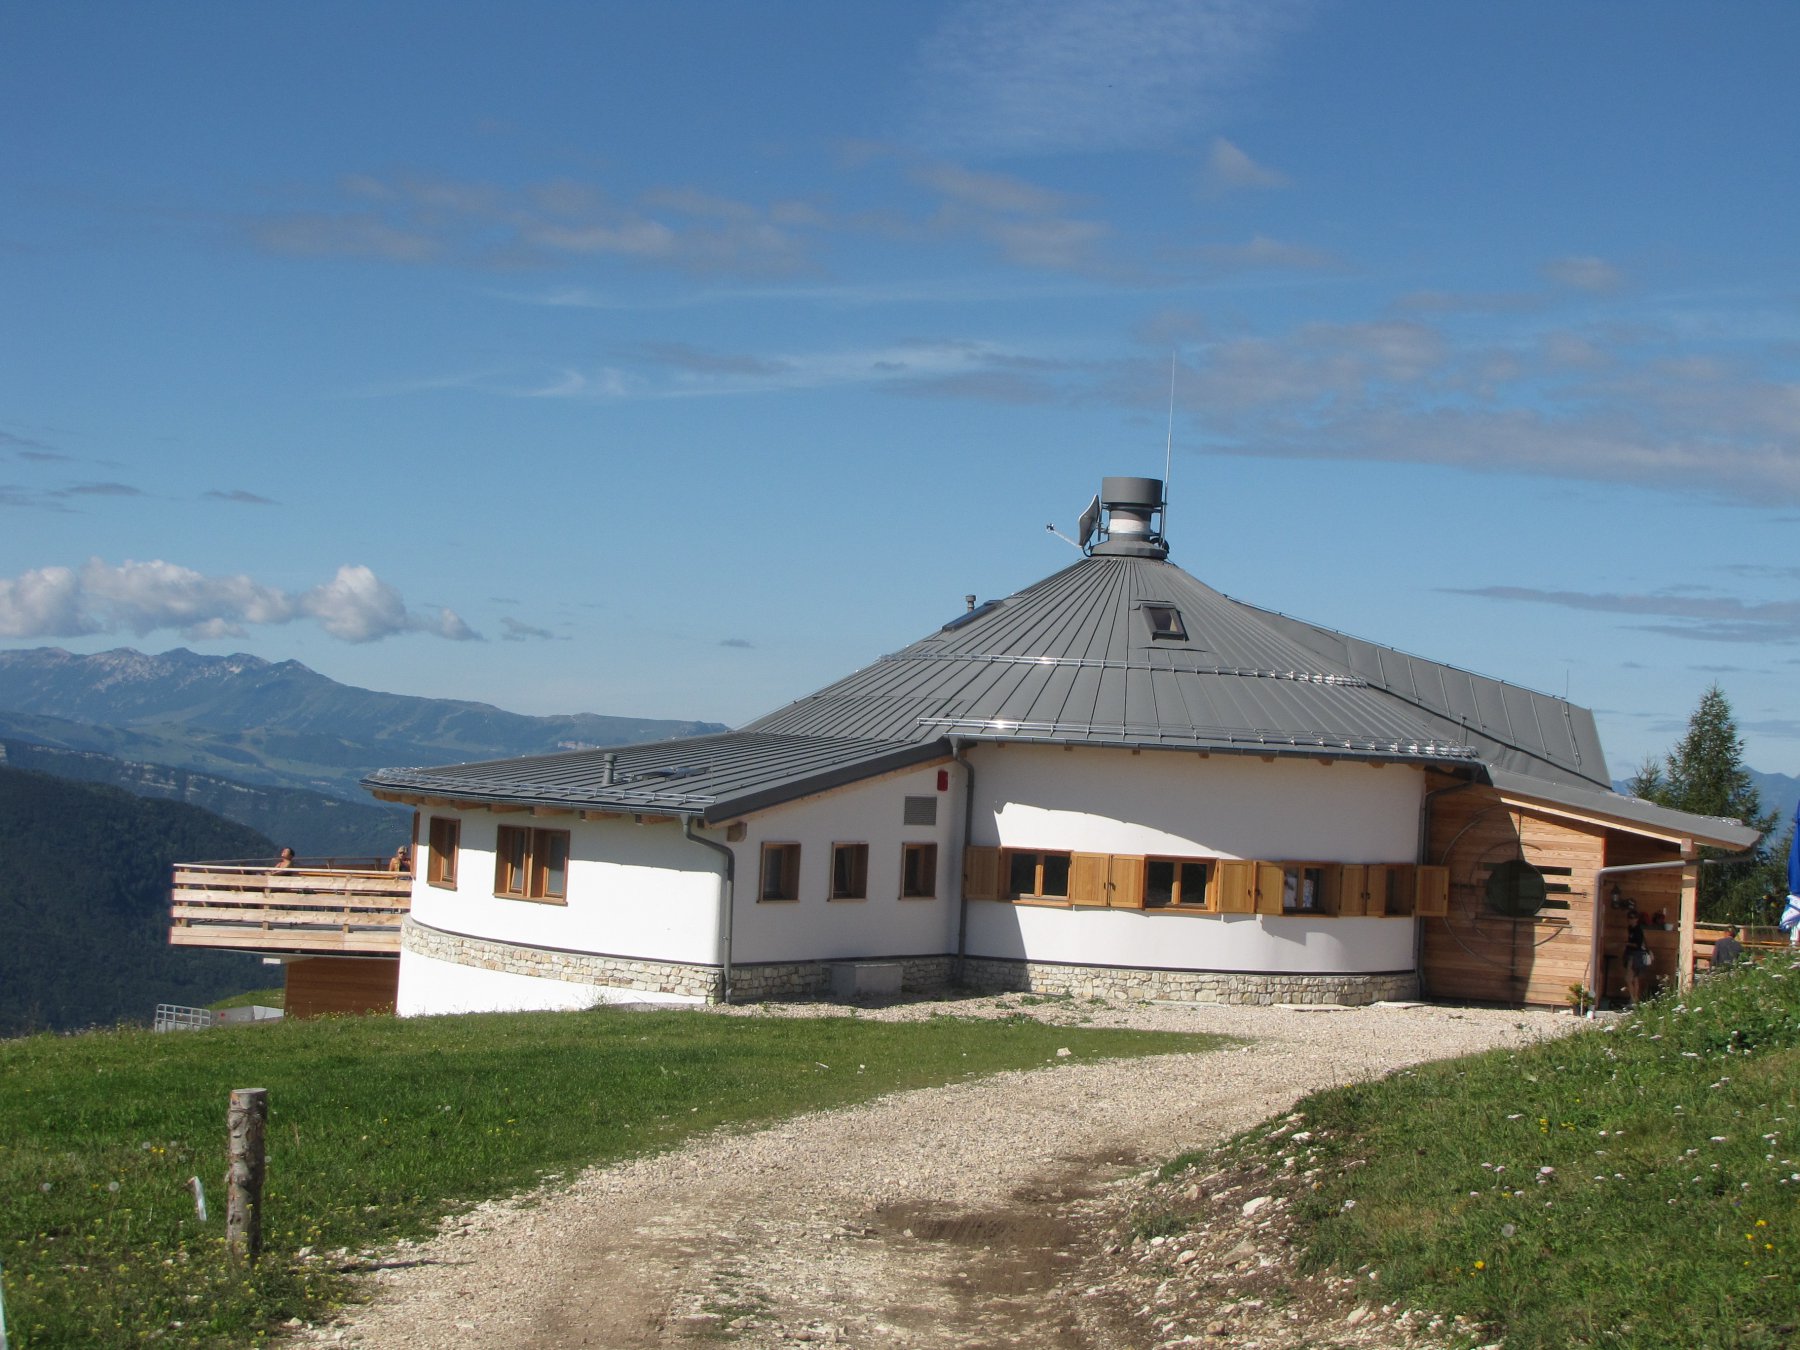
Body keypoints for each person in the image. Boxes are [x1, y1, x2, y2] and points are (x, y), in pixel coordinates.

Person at [1622, 907, 1651, 1006]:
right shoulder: (1630, 928)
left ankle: (1633, 999)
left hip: (1636, 955)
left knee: (1629, 978)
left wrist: (1627, 944)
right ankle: (1634, 999)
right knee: (1635, 978)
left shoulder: (1638, 930)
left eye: (1633, 918)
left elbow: (1637, 945)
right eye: (1629, 918)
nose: (1630, 919)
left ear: (1637, 919)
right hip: (1631, 954)